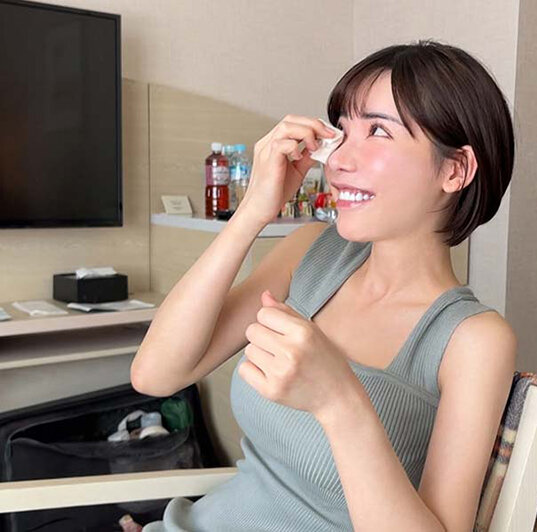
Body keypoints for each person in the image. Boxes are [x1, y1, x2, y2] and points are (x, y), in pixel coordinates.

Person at [132, 39, 517, 531]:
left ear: (455, 169)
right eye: (343, 131)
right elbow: (156, 375)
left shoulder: (473, 340)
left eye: (378, 130)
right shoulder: (312, 251)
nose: (336, 162)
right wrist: (252, 212)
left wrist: (339, 400)